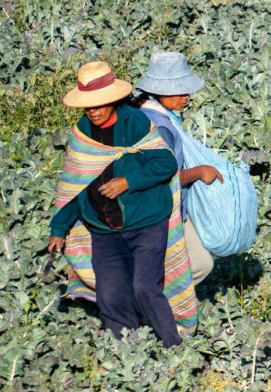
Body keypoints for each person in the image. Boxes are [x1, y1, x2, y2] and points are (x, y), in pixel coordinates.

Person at [48, 61, 187, 347]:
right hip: (103, 228)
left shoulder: (136, 123)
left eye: (98, 104)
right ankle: (128, 354)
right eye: (88, 106)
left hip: (146, 221)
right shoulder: (82, 132)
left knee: (144, 287)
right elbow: (78, 183)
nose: (93, 111)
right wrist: (59, 227)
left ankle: (174, 348)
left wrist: (128, 181)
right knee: (110, 295)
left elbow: (165, 162)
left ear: (113, 99)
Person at [134, 51, 223, 285]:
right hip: (158, 213)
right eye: (180, 91)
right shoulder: (158, 125)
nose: (186, 97)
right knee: (197, 265)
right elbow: (157, 176)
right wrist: (199, 172)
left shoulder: (161, 115)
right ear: (160, 91)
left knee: (198, 264)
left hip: (171, 208)